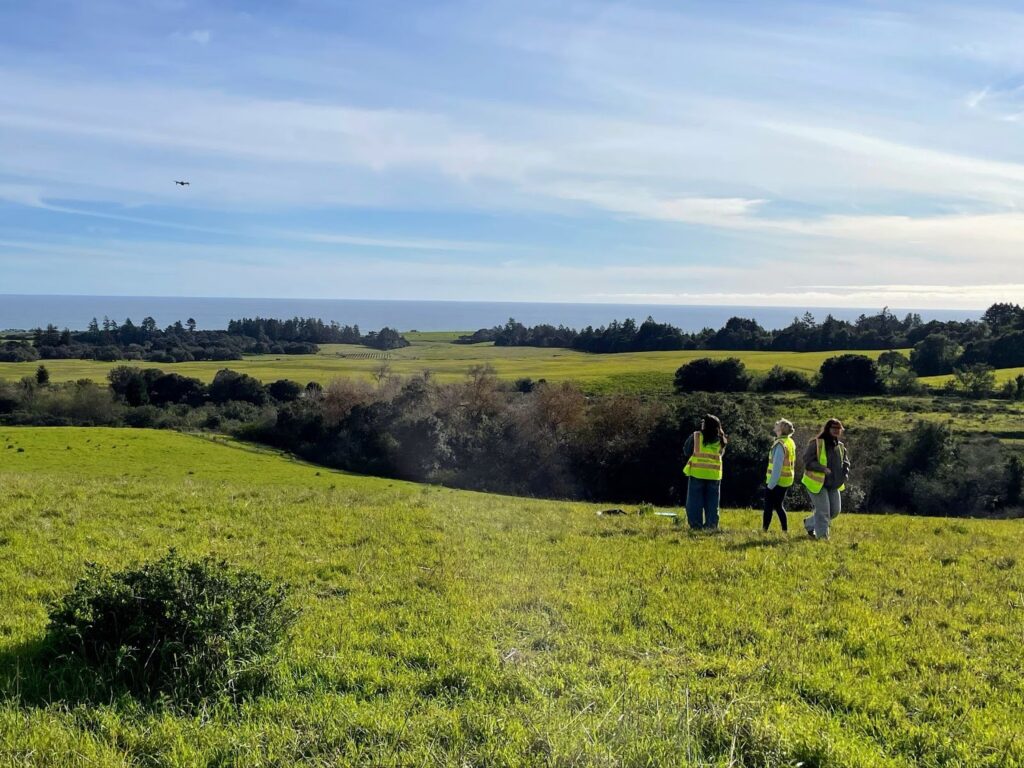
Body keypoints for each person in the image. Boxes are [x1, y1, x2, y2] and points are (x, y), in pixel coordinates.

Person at [801, 418, 850, 540]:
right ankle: (823, 537)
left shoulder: (841, 447)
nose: (836, 431)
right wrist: (822, 469)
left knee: (834, 511)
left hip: (833, 485)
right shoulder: (816, 443)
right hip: (816, 484)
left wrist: (844, 475)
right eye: (833, 428)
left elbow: (846, 463)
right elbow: (807, 462)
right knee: (823, 512)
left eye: (839, 428)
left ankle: (809, 523)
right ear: (828, 429)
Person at [682, 414, 727, 530]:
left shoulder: (696, 436)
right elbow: (721, 454)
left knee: (694, 502)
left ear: (705, 425)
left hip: (697, 473)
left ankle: (696, 525)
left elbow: (686, 450)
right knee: (712, 503)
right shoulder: (721, 440)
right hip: (714, 475)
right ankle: (711, 526)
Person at [763, 418, 796, 532]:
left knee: (768, 506)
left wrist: (770, 485)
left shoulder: (779, 444)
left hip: (777, 481)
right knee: (778, 506)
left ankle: (764, 530)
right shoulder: (790, 442)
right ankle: (784, 530)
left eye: (777, 426)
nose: (775, 426)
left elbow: (777, 467)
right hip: (786, 480)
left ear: (781, 430)